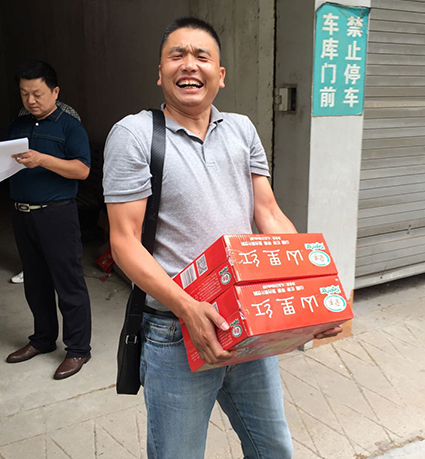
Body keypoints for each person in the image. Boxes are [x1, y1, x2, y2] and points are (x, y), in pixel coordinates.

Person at [103, 18, 342, 459]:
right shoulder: (134, 135)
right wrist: (187, 308)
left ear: (221, 74)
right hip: (175, 332)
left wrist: (312, 291)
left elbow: (268, 212)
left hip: (247, 321)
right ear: (160, 73)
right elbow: (124, 242)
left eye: (202, 56)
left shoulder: (241, 129)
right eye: (177, 55)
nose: (189, 64)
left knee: (273, 450)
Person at [5, 60, 92, 380]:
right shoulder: (17, 126)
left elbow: (82, 170)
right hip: (22, 213)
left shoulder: (70, 127)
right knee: (35, 282)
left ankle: (78, 349)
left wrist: (42, 159)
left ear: (55, 92)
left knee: (68, 283)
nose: (31, 100)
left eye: (37, 93)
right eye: (24, 93)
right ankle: (42, 339)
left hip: (56, 214)